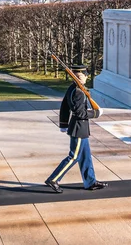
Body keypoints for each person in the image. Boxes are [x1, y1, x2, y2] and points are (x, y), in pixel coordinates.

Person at [45, 65, 108, 193]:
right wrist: (96, 113)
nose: (79, 78)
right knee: (74, 157)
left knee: (85, 156)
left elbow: (64, 106)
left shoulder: (74, 88)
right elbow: (80, 113)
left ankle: (90, 182)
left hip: (80, 128)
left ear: (86, 76)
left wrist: (63, 124)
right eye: (77, 76)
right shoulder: (78, 92)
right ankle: (53, 179)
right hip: (79, 128)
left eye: (81, 76)